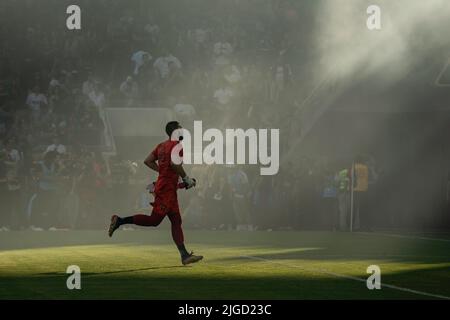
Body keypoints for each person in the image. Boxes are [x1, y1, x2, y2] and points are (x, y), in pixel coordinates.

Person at [108, 121, 203, 265]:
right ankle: (120, 220)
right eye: (180, 129)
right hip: (166, 190)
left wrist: (164, 173)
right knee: (154, 221)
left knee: (176, 221)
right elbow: (174, 165)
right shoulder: (177, 146)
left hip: (167, 188)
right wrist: (186, 178)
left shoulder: (161, 146)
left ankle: (184, 255)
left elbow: (148, 161)